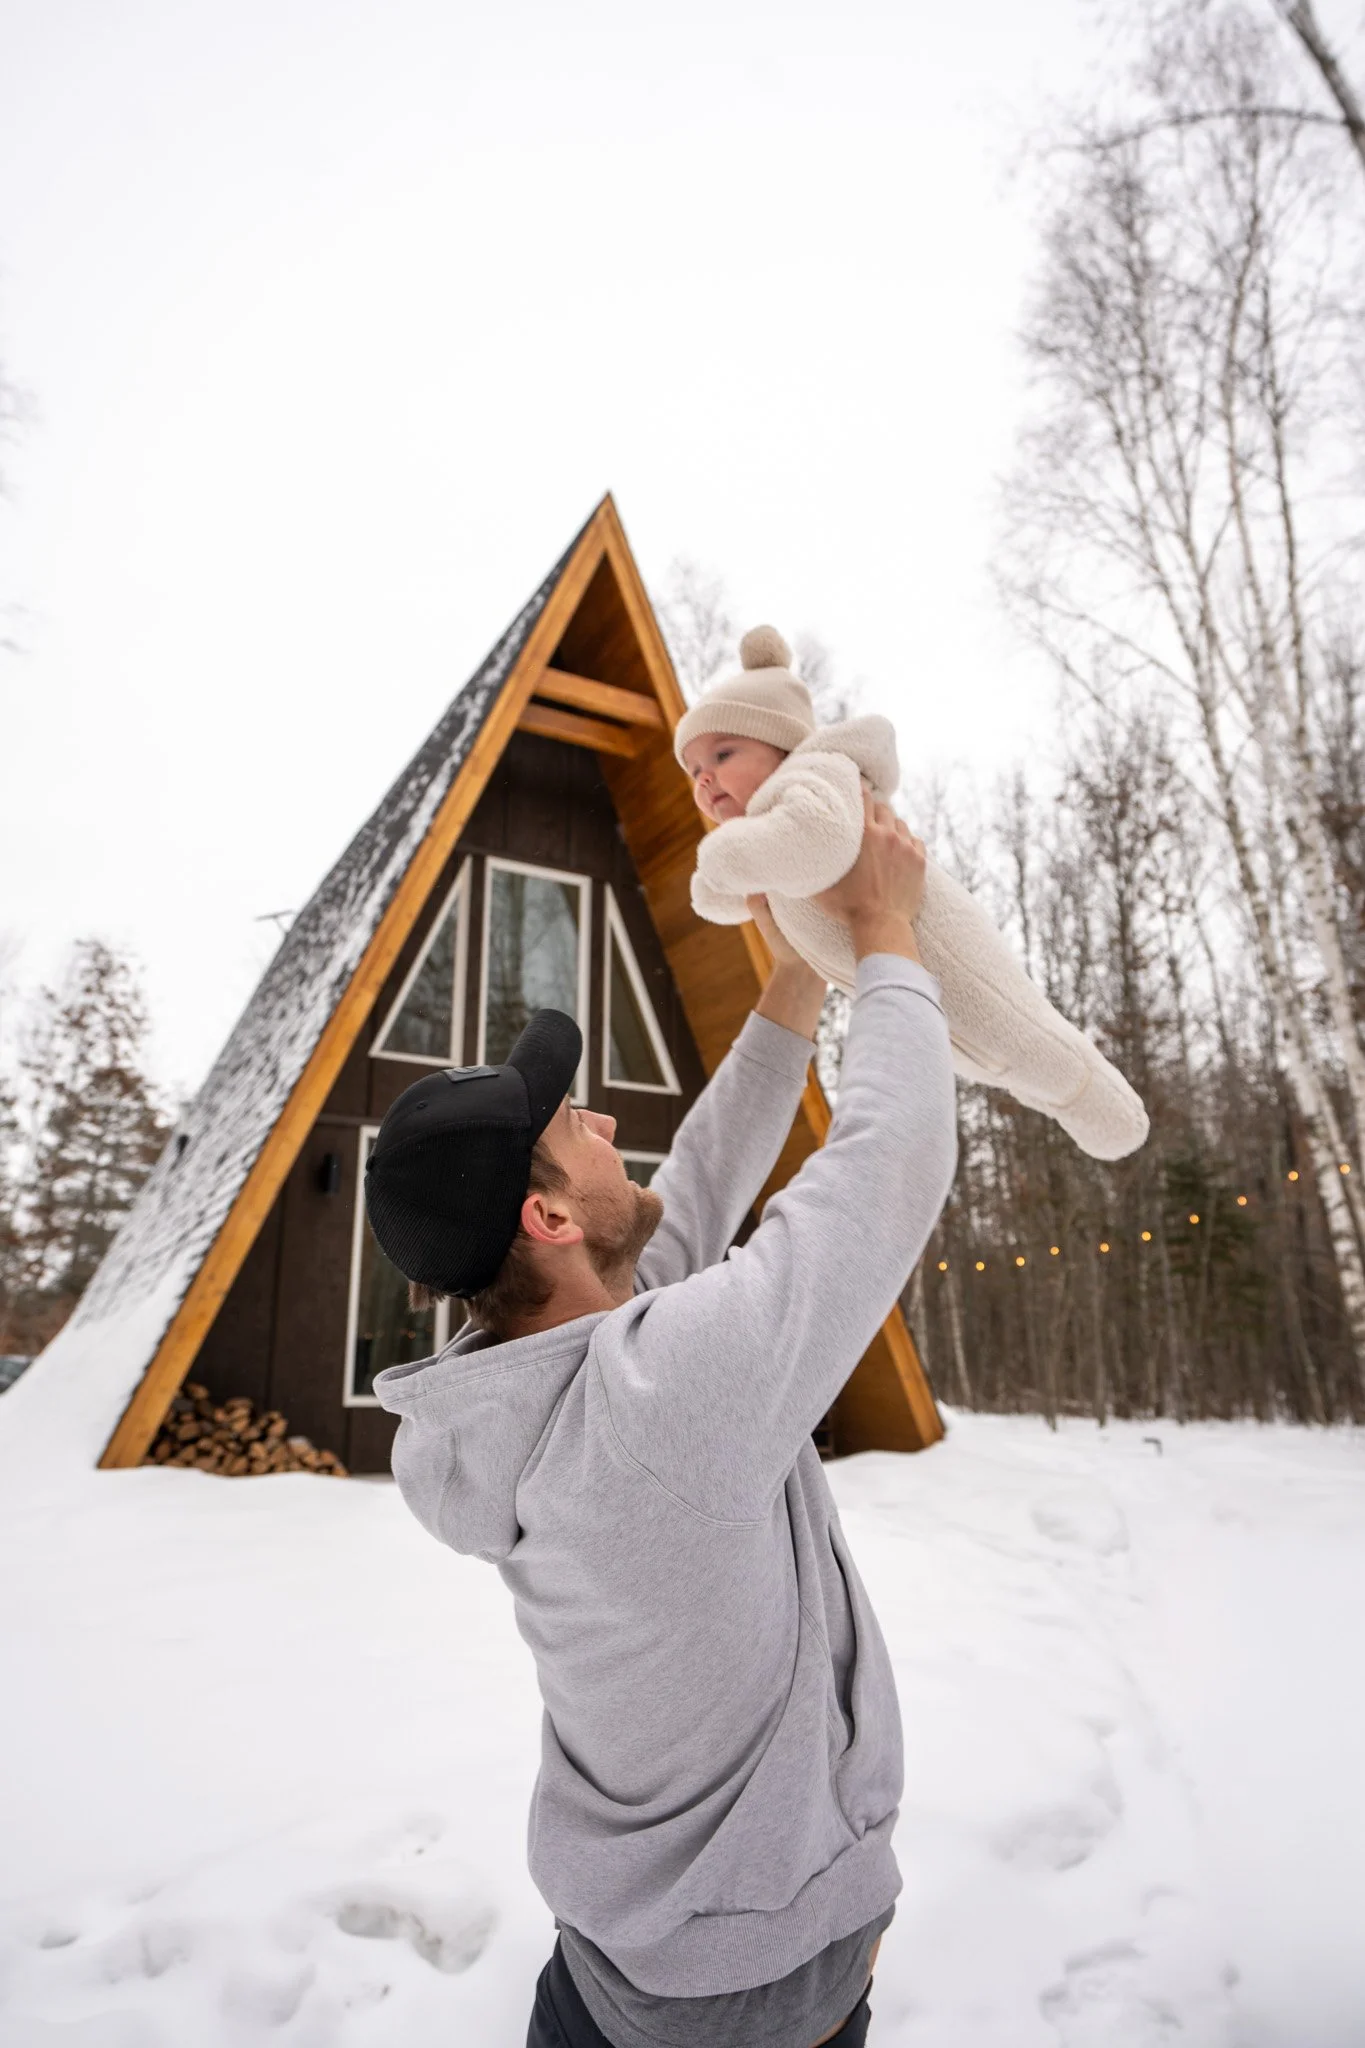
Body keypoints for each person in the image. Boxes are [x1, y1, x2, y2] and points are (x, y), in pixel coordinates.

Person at [366, 801, 957, 2047]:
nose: (605, 1122)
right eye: (572, 1125)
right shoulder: (663, 1399)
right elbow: (885, 1170)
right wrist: (887, 933)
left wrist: (797, 975)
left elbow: (687, 1193)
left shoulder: (539, 1385)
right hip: (748, 1987)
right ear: (548, 1222)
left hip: (613, 1967)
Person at [675, 624, 1148, 1163]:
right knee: (1001, 1067)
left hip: (952, 963)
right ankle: (1081, 1110)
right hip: (906, 990)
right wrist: (719, 878)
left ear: (782, 745)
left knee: (1030, 1044)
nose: (705, 779)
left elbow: (819, 845)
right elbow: (718, 897)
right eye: (693, 771)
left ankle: (1111, 1114)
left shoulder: (814, 777)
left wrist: (719, 861)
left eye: (723, 754)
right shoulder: (766, 837)